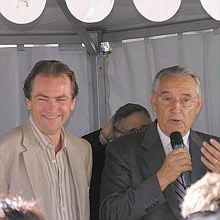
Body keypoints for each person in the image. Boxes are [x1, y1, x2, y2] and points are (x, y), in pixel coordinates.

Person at [99, 66, 220, 220]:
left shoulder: (214, 148)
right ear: (154, 102)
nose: (176, 108)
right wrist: (161, 179)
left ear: (198, 105)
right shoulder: (122, 150)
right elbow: (110, 214)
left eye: (185, 100)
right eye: (167, 99)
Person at [0, 60, 92, 220]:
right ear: (28, 101)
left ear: (73, 103)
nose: (52, 107)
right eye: (43, 99)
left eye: (61, 99)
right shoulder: (4, 150)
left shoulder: (83, 150)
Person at [82, 103, 152, 220]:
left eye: (145, 129)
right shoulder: (107, 163)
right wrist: (103, 135)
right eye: (133, 132)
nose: (140, 136)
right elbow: (77, 156)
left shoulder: (164, 155)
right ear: (117, 135)